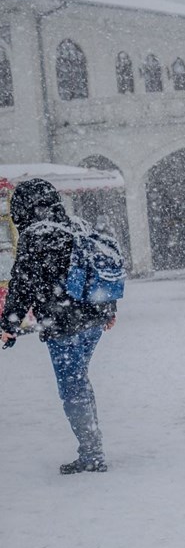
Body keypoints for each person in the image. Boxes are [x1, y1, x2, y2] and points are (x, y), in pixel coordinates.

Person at [0, 179, 117, 474]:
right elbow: (99, 264)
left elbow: (22, 286)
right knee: (78, 378)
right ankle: (92, 445)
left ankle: (91, 452)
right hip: (92, 319)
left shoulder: (35, 236)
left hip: (62, 325)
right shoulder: (76, 225)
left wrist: (9, 323)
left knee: (72, 386)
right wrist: (109, 307)